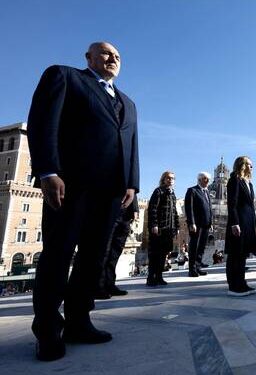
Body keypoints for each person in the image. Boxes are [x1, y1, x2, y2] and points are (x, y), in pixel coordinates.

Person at [27, 42, 139, 361]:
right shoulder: (64, 77)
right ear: (88, 57)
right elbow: (43, 121)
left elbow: (132, 145)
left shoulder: (128, 103)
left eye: (118, 55)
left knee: (92, 258)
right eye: (105, 53)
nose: (112, 58)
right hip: (70, 185)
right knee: (58, 255)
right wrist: (48, 170)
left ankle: (79, 322)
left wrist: (132, 184)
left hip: (111, 192)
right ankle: (47, 330)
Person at [224, 156, 256, 296]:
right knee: (235, 254)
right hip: (238, 222)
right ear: (242, 165)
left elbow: (251, 206)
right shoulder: (234, 180)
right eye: (249, 165)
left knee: (243, 254)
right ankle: (234, 286)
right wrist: (234, 223)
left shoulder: (249, 183)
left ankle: (242, 282)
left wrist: (255, 224)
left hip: (248, 222)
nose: (252, 167)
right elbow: (232, 204)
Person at [95, 195, 139, 299]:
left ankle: (109, 284)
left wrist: (135, 209)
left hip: (125, 214)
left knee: (115, 252)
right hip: (109, 208)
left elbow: (132, 189)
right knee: (104, 250)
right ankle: (98, 286)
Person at [147, 171, 179, 286]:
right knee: (155, 253)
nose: (170, 180)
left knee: (163, 254)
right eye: (168, 178)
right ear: (163, 179)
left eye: (172, 178)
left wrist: (177, 226)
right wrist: (154, 225)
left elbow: (174, 212)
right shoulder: (158, 191)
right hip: (159, 229)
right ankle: (151, 277)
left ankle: (159, 276)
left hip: (169, 229)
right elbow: (153, 209)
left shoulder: (172, 194)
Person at [184, 172, 213, 277]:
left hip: (206, 224)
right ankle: (192, 269)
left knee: (201, 247)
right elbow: (189, 208)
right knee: (194, 246)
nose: (207, 181)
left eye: (208, 179)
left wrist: (211, 222)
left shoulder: (207, 192)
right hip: (196, 224)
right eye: (205, 179)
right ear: (200, 179)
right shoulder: (192, 190)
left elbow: (209, 208)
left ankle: (198, 266)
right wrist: (192, 223)